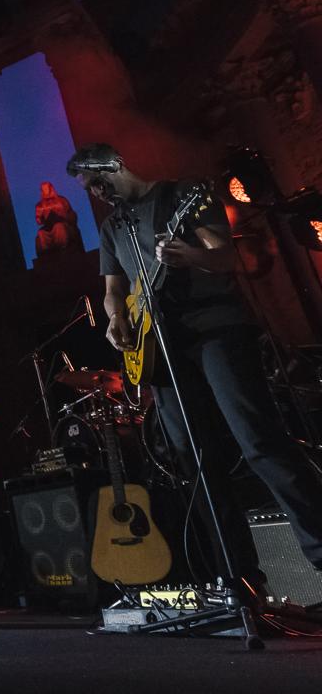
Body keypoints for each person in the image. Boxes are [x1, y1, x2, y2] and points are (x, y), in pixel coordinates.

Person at [67, 142, 322, 587]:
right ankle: (239, 579)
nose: (96, 192)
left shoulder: (183, 196)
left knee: (258, 439)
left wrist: (189, 256)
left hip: (216, 330)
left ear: (114, 164)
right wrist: (115, 318)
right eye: (88, 188)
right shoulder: (113, 228)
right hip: (162, 349)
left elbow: (227, 258)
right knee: (194, 460)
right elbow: (113, 288)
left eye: (96, 181)